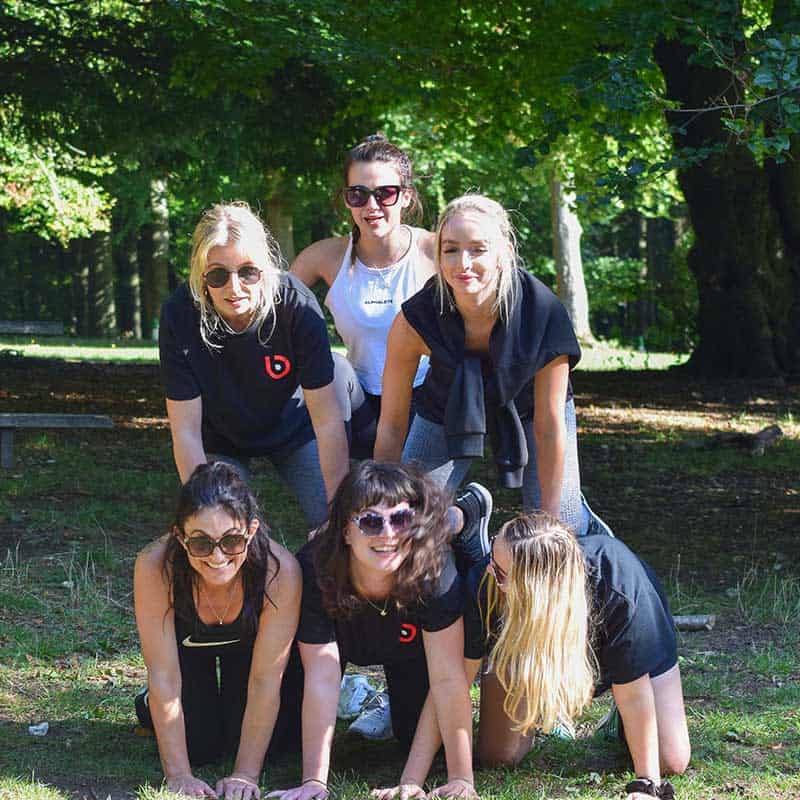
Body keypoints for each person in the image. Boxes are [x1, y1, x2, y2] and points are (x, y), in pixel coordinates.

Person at [374, 193, 610, 537]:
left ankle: (588, 526)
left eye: (478, 249)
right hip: (447, 406)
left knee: (559, 528)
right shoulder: (415, 319)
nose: (462, 263)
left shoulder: (543, 312)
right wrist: (379, 502)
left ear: (505, 254)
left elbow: (549, 425)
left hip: (532, 410)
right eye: (451, 249)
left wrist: (551, 517)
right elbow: (392, 424)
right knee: (408, 523)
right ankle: (466, 519)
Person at [269, 461, 480, 800]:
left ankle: (466, 514)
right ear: (345, 532)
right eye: (370, 522)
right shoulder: (315, 567)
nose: (388, 533)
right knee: (282, 739)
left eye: (400, 519)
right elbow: (322, 675)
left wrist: (461, 778)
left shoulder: (435, 570)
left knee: (418, 736)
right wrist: (314, 782)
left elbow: (448, 680)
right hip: (339, 643)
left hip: (409, 648)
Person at [160, 202, 362, 527]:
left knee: (335, 524)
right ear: (200, 275)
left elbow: (327, 421)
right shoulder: (179, 313)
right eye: (217, 275)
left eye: (248, 272)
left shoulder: (296, 304)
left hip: (295, 425)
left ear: (265, 267)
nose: (235, 287)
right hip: (221, 437)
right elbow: (185, 431)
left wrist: (335, 512)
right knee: (225, 527)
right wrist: (207, 508)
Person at [464, 511, 690, 800]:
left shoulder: (618, 585)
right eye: (493, 551)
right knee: (498, 755)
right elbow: (454, 683)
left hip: (620, 651)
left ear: (535, 589)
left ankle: (618, 723)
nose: (487, 571)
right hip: (526, 643)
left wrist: (647, 785)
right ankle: (543, 704)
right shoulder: (490, 577)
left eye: (499, 571)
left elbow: (634, 694)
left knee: (670, 759)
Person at [134, 461, 303, 800]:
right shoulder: (155, 566)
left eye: (231, 541)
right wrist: (179, 775)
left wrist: (245, 774)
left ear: (251, 531)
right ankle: (147, 705)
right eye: (200, 543)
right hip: (187, 651)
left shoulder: (279, 571)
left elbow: (265, 679)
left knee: (275, 743)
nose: (217, 556)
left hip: (252, 655)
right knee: (202, 746)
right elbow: (164, 674)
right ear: (180, 537)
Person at [291, 135, 435, 457]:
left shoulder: (436, 252)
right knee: (334, 367)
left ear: (406, 197)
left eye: (385, 193)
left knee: (416, 501)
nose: (372, 206)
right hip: (359, 406)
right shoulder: (325, 256)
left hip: (426, 401)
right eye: (358, 194)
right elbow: (271, 310)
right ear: (346, 199)